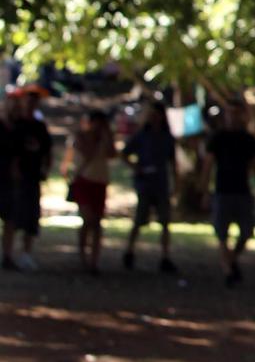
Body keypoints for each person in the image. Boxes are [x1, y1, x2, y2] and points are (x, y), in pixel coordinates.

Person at [201, 99, 255, 287]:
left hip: (242, 192)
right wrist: (205, 191)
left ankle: (231, 259)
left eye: (236, 113)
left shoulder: (248, 140)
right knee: (222, 234)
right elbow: (207, 166)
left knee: (246, 232)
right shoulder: (217, 138)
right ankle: (228, 270)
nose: (233, 117)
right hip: (222, 191)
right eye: (230, 113)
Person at [122, 103, 179, 273]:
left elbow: (173, 163)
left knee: (165, 222)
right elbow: (124, 153)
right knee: (139, 220)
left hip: (161, 183)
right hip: (145, 183)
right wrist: (136, 168)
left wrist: (176, 185)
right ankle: (129, 252)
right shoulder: (141, 135)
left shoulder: (167, 137)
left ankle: (165, 257)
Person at [2, 86, 54, 272]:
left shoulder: (38, 127)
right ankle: (8, 254)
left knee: (26, 217)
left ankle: (23, 254)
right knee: (11, 216)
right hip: (11, 179)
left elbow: (48, 151)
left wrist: (46, 169)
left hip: (30, 177)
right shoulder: (12, 126)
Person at [62, 109, 116, 275]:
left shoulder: (105, 139)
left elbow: (112, 154)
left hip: (100, 182)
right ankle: (82, 256)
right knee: (88, 218)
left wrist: (106, 136)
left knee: (97, 223)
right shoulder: (80, 136)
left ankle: (94, 261)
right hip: (83, 181)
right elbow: (87, 153)